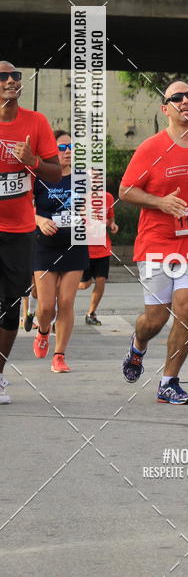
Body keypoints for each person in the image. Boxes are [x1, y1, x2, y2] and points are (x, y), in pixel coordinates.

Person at [119, 80, 188, 405]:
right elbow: (126, 190)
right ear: (165, 108)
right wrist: (160, 202)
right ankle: (138, 344)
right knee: (155, 319)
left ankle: (169, 382)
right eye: (177, 97)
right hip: (156, 243)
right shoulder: (151, 148)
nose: (186, 101)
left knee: (187, 309)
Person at [0, 63, 60, 402]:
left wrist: (32, 160)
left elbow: (54, 173)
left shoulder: (35, 122)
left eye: (16, 76)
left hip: (19, 229)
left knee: (9, 308)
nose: (11, 81)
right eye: (3, 77)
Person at [32, 130, 89, 373]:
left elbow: (92, 207)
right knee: (46, 307)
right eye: (62, 148)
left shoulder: (83, 178)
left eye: (71, 147)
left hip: (74, 245)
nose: (68, 153)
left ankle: (59, 355)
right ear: (51, 151)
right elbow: (24, 208)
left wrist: (88, 214)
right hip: (44, 246)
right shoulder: (38, 177)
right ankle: (43, 332)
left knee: (66, 301)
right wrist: (40, 220)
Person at [79, 172, 118, 325]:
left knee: (101, 281)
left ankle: (91, 313)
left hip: (102, 247)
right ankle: (60, 289)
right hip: (84, 248)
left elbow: (110, 217)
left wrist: (112, 225)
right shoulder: (80, 197)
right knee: (84, 284)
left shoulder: (108, 197)